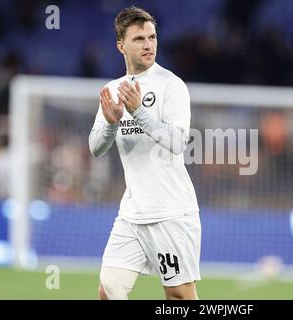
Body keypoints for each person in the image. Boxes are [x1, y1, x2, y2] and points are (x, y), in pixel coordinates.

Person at [89, 6, 201, 300]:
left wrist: (138, 112)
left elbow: (178, 142)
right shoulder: (113, 89)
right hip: (132, 212)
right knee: (108, 291)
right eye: (139, 38)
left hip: (170, 212)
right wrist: (112, 124)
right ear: (121, 45)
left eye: (152, 37)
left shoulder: (171, 86)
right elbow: (95, 148)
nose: (148, 44)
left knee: (178, 295)